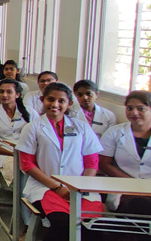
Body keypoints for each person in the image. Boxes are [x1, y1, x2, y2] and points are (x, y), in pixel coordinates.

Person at [17, 82, 105, 240]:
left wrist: (80, 187)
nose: (55, 104)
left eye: (61, 101)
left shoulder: (82, 128)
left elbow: (92, 163)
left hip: (81, 190)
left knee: (93, 226)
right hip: (45, 188)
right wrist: (57, 188)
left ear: (69, 103)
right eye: (50, 99)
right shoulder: (32, 128)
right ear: (42, 100)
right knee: (63, 222)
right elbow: (27, 164)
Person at [98, 90, 151, 241]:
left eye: (141, 108)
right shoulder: (114, 132)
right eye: (129, 108)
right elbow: (104, 163)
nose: (134, 113)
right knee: (135, 206)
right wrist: (133, 186)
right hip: (123, 189)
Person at [0, 79, 37, 183]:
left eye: (9, 92)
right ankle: (20, 197)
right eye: (1, 91)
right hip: (4, 154)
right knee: (16, 166)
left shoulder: (30, 113)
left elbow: (39, 137)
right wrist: (13, 154)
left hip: (28, 152)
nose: (4, 95)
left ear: (17, 94)